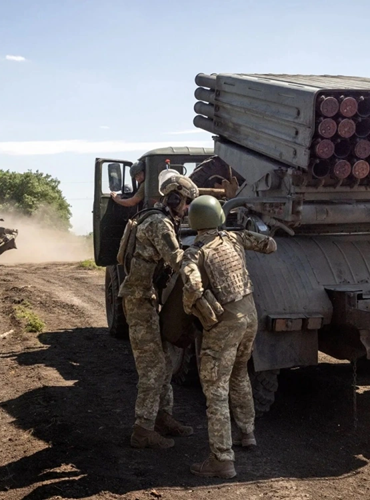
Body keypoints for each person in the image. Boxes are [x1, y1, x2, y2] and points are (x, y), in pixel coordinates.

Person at [180, 195, 277, 479]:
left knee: (215, 389)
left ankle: (221, 459)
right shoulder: (233, 239)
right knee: (239, 374)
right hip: (250, 315)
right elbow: (269, 245)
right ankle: (247, 432)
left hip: (224, 325)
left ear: (194, 221)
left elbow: (192, 286)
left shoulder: (194, 251)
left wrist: (195, 307)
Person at [118, 172, 200, 449]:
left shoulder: (157, 218)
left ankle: (162, 417)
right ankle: (142, 430)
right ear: (175, 198)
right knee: (153, 367)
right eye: (186, 202)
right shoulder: (159, 224)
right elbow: (177, 260)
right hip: (139, 301)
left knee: (166, 361)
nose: (187, 208)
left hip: (149, 299)